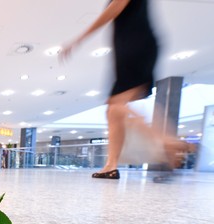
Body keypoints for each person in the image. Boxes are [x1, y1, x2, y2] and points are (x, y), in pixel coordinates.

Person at [60, 0, 186, 180]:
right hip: (134, 46)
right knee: (113, 111)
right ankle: (112, 165)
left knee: (116, 104)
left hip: (135, 45)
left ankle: (164, 141)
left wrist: (80, 39)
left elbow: (116, 7)